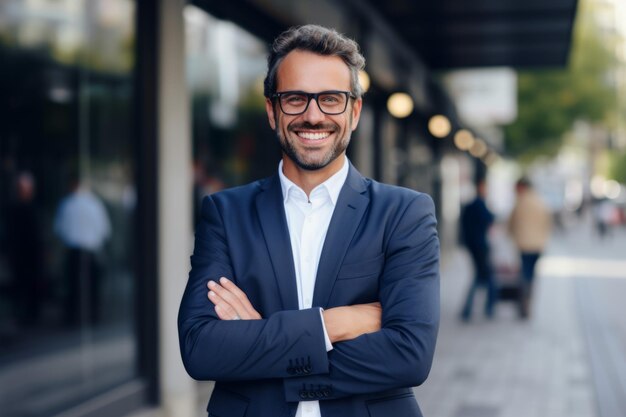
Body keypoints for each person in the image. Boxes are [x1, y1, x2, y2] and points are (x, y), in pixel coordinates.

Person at [178, 25, 440, 417]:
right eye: (295, 99)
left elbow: (409, 355)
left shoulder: (404, 214)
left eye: (331, 99)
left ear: (353, 112)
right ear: (272, 111)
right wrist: (332, 325)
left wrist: (259, 344)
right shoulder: (226, 213)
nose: (313, 116)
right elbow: (202, 349)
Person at [54, 175, 111, 326]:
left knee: (74, 288)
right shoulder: (95, 204)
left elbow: (59, 229)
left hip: (74, 251)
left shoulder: (66, 204)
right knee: (92, 287)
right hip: (91, 251)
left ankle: (74, 318)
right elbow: (105, 230)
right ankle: (92, 317)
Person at [508, 177, 552, 317]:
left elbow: (511, 223)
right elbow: (548, 223)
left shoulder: (520, 202)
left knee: (524, 274)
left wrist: (512, 236)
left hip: (524, 245)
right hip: (538, 245)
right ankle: (528, 301)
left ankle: (523, 303)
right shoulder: (541, 201)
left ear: (522, 187)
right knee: (531, 275)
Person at [459, 178, 496, 321]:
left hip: (473, 246)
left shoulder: (471, 205)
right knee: (487, 278)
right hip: (479, 246)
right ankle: (487, 308)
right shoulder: (479, 204)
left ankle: (470, 310)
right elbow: (489, 218)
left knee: (480, 277)